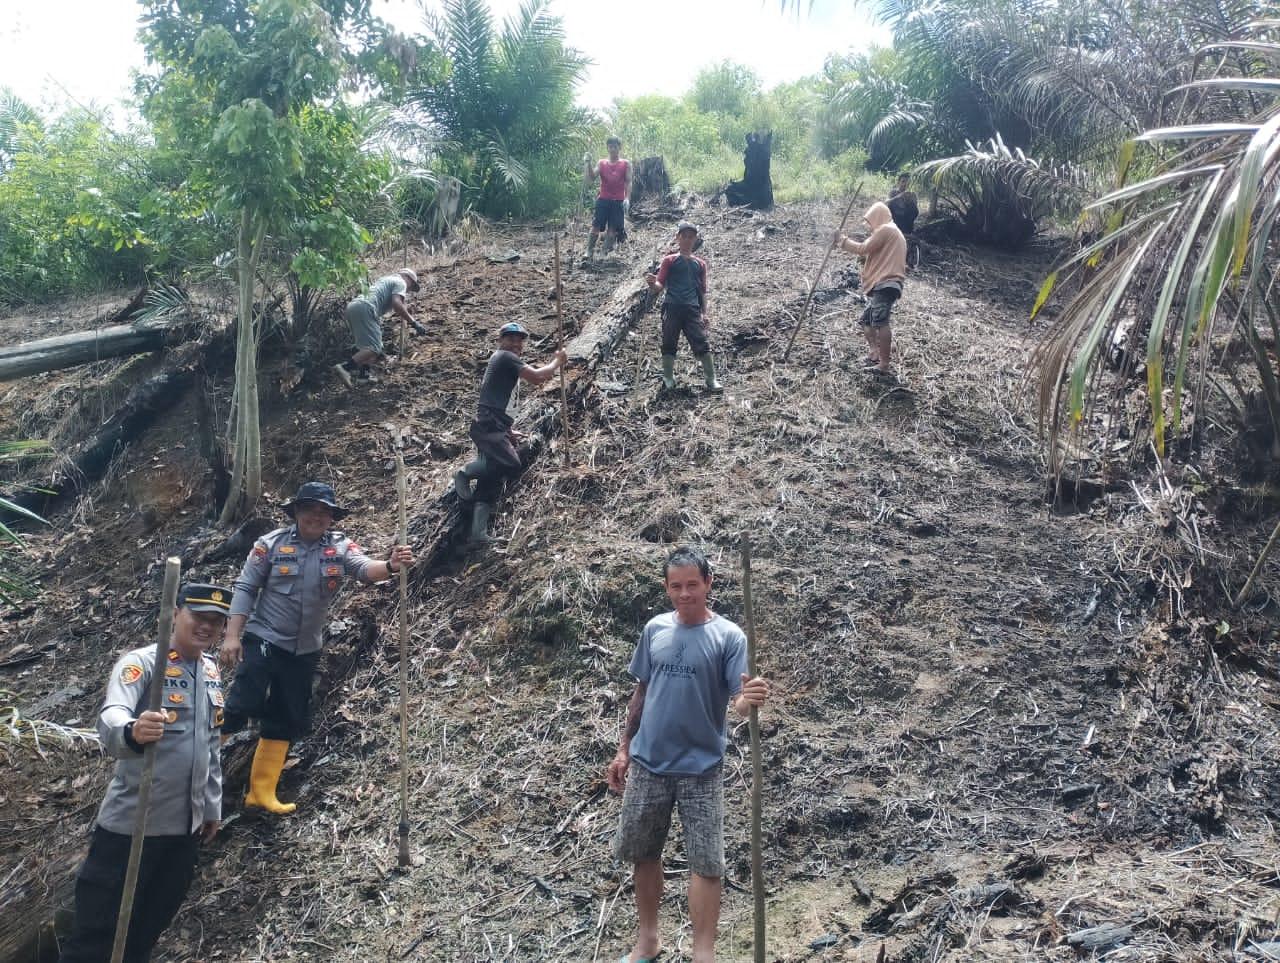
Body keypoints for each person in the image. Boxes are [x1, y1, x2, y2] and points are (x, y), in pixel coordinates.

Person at [607, 547, 771, 963]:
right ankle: (648, 940)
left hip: (702, 767)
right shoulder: (655, 629)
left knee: (706, 861)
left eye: (692, 585)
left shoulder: (729, 637)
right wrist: (624, 749)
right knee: (643, 852)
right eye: (676, 586)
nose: (684, 594)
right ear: (666, 587)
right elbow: (641, 692)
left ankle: (704, 954)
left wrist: (749, 700)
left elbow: (737, 699)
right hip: (648, 763)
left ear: (708, 583)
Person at [60, 582, 233, 963]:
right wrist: (132, 731)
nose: (207, 627)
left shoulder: (209, 670)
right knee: (96, 936)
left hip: (182, 832)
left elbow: (210, 743)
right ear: (175, 614)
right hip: (131, 829)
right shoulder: (142, 663)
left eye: (216, 621)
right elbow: (111, 715)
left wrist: (211, 806)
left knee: (146, 930)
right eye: (199, 617)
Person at [220, 482, 414, 813]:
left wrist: (393, 565)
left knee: (287, 714)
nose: (318, 516)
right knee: (243, 701)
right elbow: (246, 587)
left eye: (325, 512)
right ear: (296, 511)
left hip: (304, 648)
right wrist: (232, 636)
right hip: (265, 637)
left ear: (332, 518)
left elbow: (366, 570)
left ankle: (260, 792)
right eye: (311, 509)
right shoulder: (270, 545)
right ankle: (194, 764)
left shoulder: (339, 547)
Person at [452, 323, 567, 544]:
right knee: (511, 463)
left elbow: (494, 397)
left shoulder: (503, 361)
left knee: (491, 480)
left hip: (494, 423)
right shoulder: (505, 357)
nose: (516, 344)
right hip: (489, 424)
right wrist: (557, 361)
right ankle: (464, 473)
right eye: (511, 338)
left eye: (520, 340)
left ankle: (478, 533)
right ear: (500, 340)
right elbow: (537, 377)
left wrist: (507, 429)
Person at [833, 202, 908, 376]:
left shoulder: (886, 229)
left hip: (886, 282)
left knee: (881, 322)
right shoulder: (893, 233)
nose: (869, 226)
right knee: (867, 321)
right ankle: (875, 352)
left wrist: (841, 240)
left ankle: (884, 364)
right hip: (885, 283)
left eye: (870, 221)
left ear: (877, 217)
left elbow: (862, 249)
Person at [645, 222, 721, 392]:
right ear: (678, 238)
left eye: (691, 236)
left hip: (692, 309)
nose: (687, 239)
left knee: (701, 341)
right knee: (669, 341)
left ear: (695, 239)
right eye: (684, 236)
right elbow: (660, 285)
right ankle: (668, 378)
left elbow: (702, 292)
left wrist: (704, 313)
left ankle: (711, 379)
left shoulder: (700, 264)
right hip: (671, 306)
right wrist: (652, 283)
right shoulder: (669, 260)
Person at [334, 269, 426, 387]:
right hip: (366, 308)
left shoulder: (385, 280)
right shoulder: (400, 282)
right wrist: (414, 323)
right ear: (406, 277)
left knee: (367, 347)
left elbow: (399, 304)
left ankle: (364, 377)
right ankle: (345, 367)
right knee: (374, 347)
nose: (409, 289)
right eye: (412, 285)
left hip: (353, 307)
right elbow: (397, 304)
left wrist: (406, 309)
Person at [584, 135, 632, 260]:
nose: (612, 149)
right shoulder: (601, 163)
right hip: (603, 200)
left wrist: (627, 198)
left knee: (612, 229)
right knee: (596, 226)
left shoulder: (625, 164)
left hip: (618, 201)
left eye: (615, 147)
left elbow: (628, 182)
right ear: (607, 148)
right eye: (610, 147)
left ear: (619, 148)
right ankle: (589, 252)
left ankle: (603, 253)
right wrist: (588, 163)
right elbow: (592, 177)